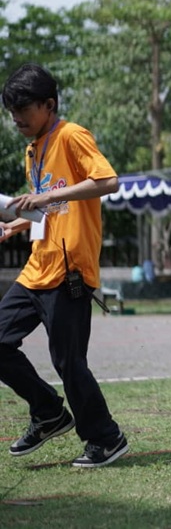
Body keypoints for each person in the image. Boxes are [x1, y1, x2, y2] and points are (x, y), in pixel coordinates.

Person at [0, 63, 128, 467]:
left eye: (24, 109)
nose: (17, 118)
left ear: (48, 104)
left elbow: (107, 181)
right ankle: (49, 411)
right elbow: (51, 204)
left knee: (67, 361)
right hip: (38, 266)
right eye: (11, 111)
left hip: (70, 270)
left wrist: (39, 199)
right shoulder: (32, 149)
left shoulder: (71, 136)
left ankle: (106, 438)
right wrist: (17, 221)